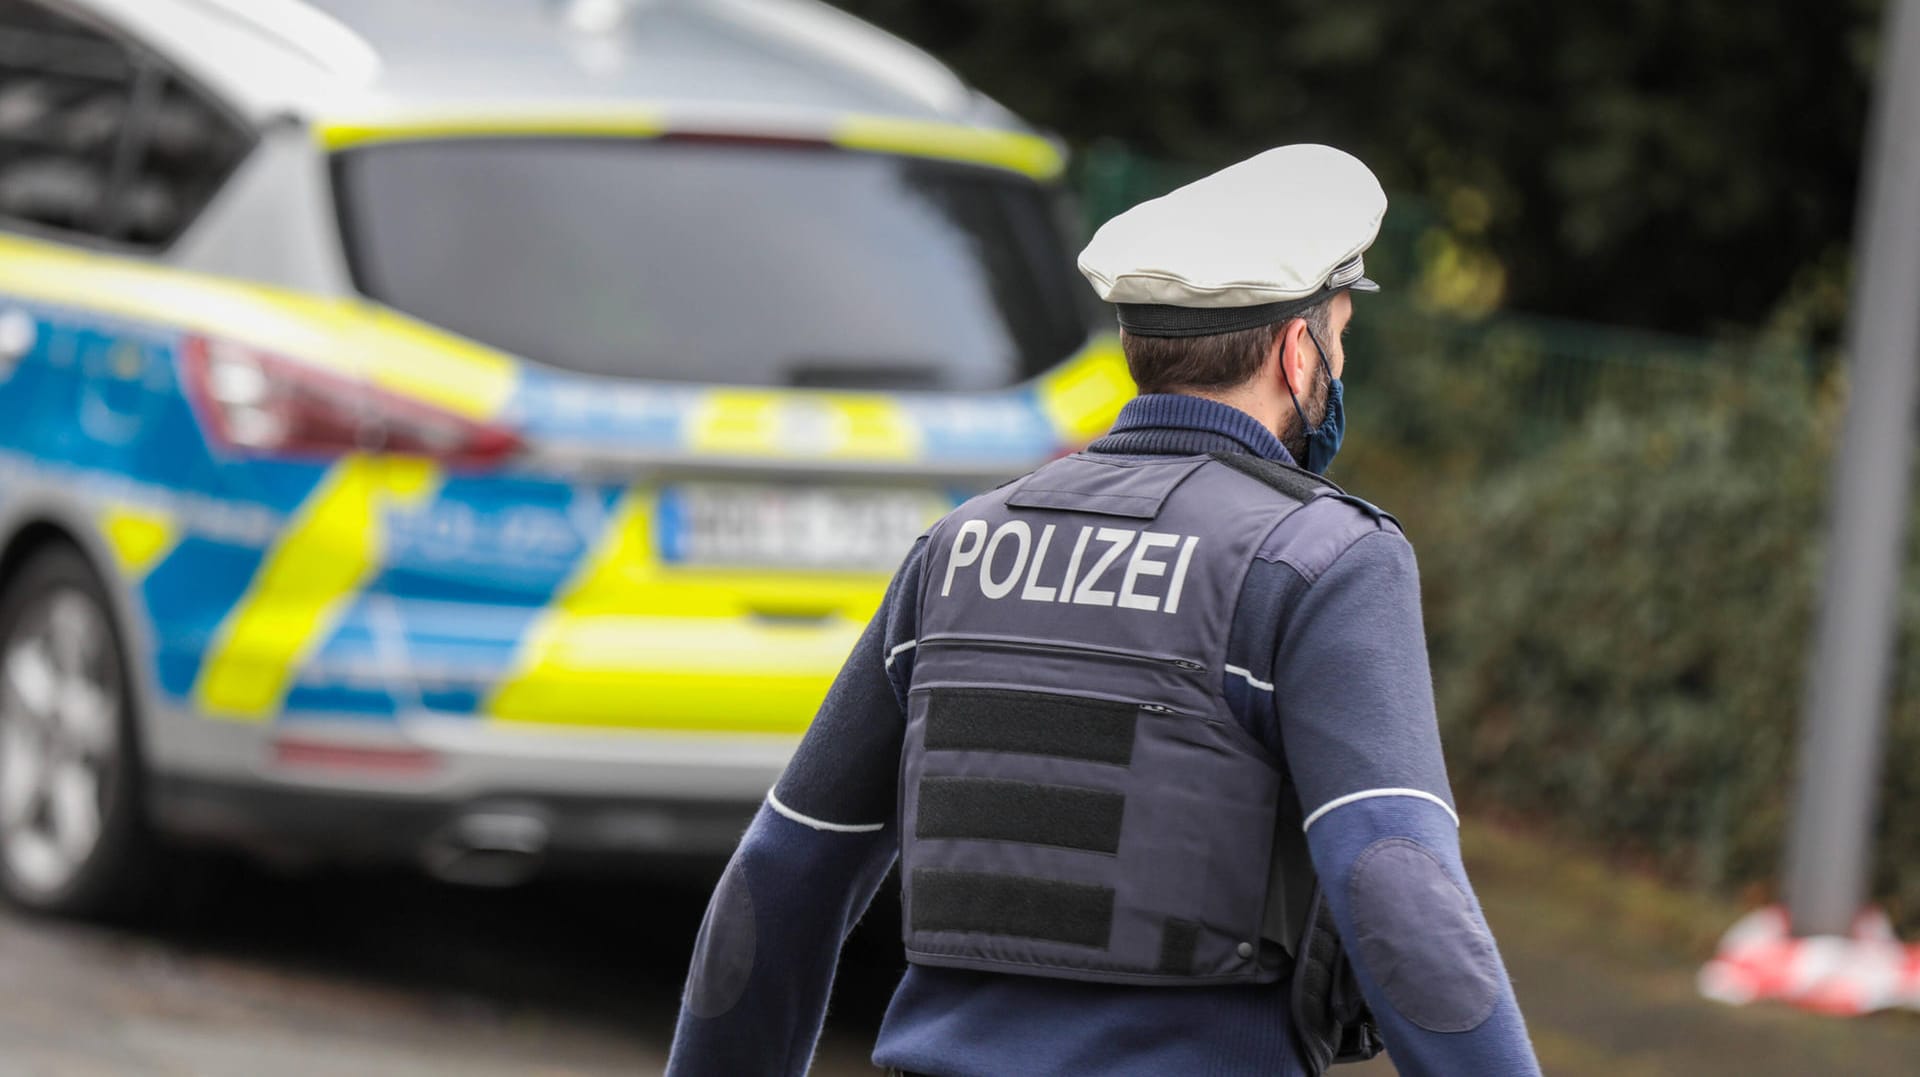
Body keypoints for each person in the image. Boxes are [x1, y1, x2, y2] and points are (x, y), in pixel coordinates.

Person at [666, 144, 1542, 1077]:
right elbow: (1398, 886)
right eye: (1339, 336)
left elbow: (783, 873)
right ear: (1298, 352)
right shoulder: (1325, 561)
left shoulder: (957, 549)